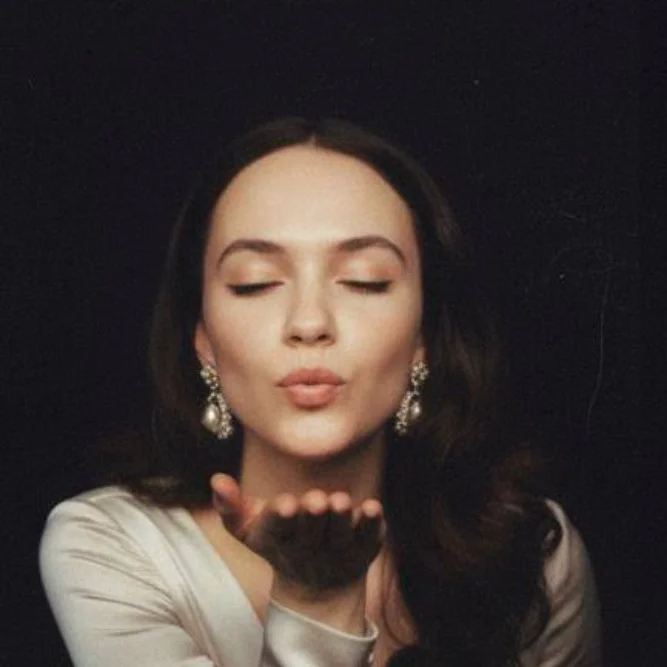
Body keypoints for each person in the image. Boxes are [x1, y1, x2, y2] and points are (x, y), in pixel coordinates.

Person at [39, 117, 601, 667]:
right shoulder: (109, 544)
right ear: (204, 340)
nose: (309, 323)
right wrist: (317, 605)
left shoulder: (534, 551)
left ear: (423, 337)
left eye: (365, 281)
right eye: (255, 283)